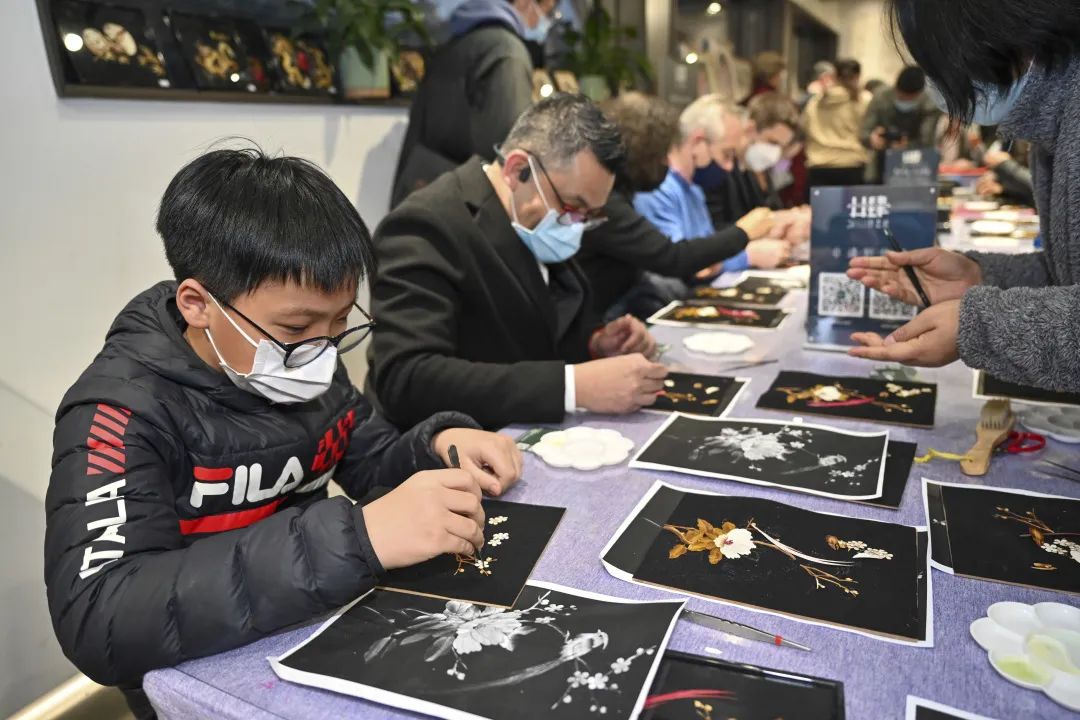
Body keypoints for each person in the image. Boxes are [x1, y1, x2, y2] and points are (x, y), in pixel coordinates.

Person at [44, 148, 524, 717]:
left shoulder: (305, 363)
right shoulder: (119, 413)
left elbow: (370, 459)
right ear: (198, 304)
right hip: (204, 682)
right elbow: (100, 616)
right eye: (296, 328)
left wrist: (438, 445)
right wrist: (354, 538)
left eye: (340, 323)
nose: (321, 351)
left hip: (316, 632)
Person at [366, 95, 669, 430]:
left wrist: (596, 343)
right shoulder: (426, 225)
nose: (576, 225)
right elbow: (407, 378)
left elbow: (535, 333)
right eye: (571, 206)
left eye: (588, 215)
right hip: (447, 446)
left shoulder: (529, 221)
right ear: (517, 170)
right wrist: (572, 387)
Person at [846, 0, 1080, 393]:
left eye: (935, 62)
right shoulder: (1050, 118)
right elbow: (1067, 275)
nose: (937, 83)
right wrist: (979, 275)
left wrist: (976, 326)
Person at [576, 92, 777, 320]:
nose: (667, 163)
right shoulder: (606, 202)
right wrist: (744, 233)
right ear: (641, 153)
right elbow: (673, 257)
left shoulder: (624, 194)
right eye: (661, 155)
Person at [390, 0, 557, 207]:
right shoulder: (507, 52)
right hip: (461, 205)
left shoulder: (460, 40)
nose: (544, 21)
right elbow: (509, 147)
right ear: (524, 2)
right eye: (546, 10)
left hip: (422, 192)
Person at [635, 95, 788, 279]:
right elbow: (686, 265)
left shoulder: (694, 189)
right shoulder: (658, 189)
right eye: (727, 154)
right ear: (698, 142)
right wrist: (748, 256)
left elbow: (709, 253)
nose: (729, 167)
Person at [861, 65, 942, 182]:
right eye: (901, 96)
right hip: (880, 164)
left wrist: (907, 145)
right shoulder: (881, 97)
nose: (904, 100)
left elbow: (927, 140)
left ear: (919, 94)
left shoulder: (930, 104)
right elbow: (864, 132)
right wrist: (872, 138)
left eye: (909, 98)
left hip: (915, 168)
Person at [803, 58, 871, 187]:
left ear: (834, 76)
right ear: (858, 76)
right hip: (852, 164)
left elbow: (804, 128)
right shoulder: (864, 100)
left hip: (819, 165)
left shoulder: (815, 102)